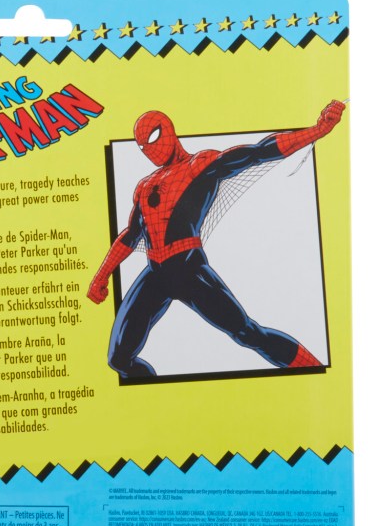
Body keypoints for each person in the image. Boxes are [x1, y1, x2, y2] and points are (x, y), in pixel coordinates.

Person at [87, 101, 345, 377]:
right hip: (155, 274)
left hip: (188, 268)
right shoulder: (144, 186)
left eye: (152, 138)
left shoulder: (200, 165)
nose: (148, 149)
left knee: (247, 333)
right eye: (141, 145)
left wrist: (317, 131)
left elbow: (258, 152)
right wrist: (101, 276)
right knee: (119, 359)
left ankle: (316, 370)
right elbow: (131, 234)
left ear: (169, 130)